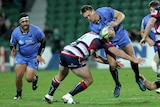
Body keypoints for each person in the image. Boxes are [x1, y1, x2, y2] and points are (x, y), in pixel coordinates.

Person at [43, 26, 145, 104]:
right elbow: (118, 52)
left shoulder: (91, 34)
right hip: (74, 57)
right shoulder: (104, 43)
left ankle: (49, 95)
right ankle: (69, 96)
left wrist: (108, 62)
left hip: (65, 52)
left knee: (61, 75)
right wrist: (133, 59)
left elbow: (95, 58)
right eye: (112, 32)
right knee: (89, 80)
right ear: (108, 36)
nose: (113, 33)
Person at [80, 5, 146, 98]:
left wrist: (115, 23)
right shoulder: (93, 28)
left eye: (89, 15)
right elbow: (102, 40)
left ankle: (137, 78)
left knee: (133, 58)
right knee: (112, 65)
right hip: (110, 42)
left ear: (93, 11)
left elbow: (121, 15)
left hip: (120, 34)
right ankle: (118, 84)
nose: (89, 18)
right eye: (86, 17)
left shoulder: (105, 11)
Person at [10, 13, 46, 100]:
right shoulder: (15, 32)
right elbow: (12, 43)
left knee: (29, 79)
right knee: (18, 76)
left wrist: (39, 55)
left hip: (33, 57)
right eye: (23, 22)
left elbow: (43, 41)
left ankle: (35, 79)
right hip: (21, 56)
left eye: (27, 21)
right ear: (20, 23)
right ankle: (19, 94)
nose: (25, 23)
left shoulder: (36, 31)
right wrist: (13, 49)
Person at [140, 1, 160, 94]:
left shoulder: (155, 16)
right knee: (156, 66)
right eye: (151, 7)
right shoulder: (145, 19)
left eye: (155, 7)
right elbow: (143, 31)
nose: (152, 8)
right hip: (156, 45)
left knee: (154, 65)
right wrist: (147, 39)